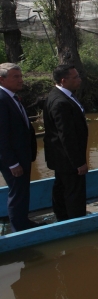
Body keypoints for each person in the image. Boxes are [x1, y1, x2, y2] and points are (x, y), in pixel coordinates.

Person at [43, 64, 89, 221]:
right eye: (75, 77)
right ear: (63, 80)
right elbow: (66, 136)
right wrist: (79, 163)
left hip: (61, 157)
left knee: (62, 187)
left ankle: (62, 216)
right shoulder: (60, 102)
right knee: (74, 191)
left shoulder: (64, 95)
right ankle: (76, 221)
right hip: (67, 159)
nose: (79, 79)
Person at [0, 63, 38, 232]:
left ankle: (23, 221)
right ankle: (19, 230)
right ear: (2, 79)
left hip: (21, 155)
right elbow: (1, 137)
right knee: (17, 193)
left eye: (21, 76)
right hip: (13, 158)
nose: (21, 80)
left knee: (23, 191)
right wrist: (12, 163)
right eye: (16, 77)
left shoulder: (12, 97)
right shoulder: (1, 100)